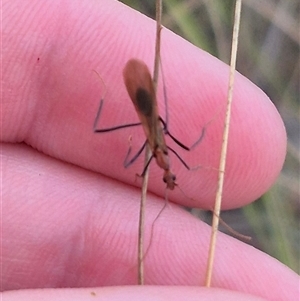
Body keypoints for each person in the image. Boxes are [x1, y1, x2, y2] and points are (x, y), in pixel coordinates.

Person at [2, 0, 298, 300]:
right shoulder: (166, 159)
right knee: (158, 134)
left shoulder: (163, 161)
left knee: (156, 134)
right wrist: (202, 124)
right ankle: (122, 89)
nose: (170, 176)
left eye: (169, 179)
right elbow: (179, 144)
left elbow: (159, 148)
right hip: (152, 121)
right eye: (171, 178)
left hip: (152, 124)